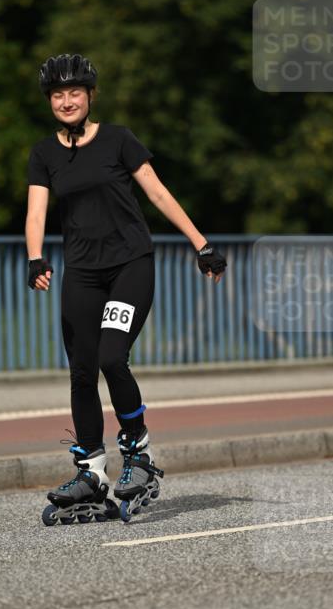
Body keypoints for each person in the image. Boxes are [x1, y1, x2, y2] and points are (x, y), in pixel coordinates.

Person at [25, 53, 227, 523]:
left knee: (112, 357)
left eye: (76, 92)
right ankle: (91, 472)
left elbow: (157, 192)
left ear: (90, 96)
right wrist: (36, 256)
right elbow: (36, 211)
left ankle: (137, 455)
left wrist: (202, 245)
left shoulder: (118, 140)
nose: (67, 100)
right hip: (82, 271)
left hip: (129, 265)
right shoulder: (44, 153)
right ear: (50, 102)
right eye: (58, 94)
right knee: (80, 371)